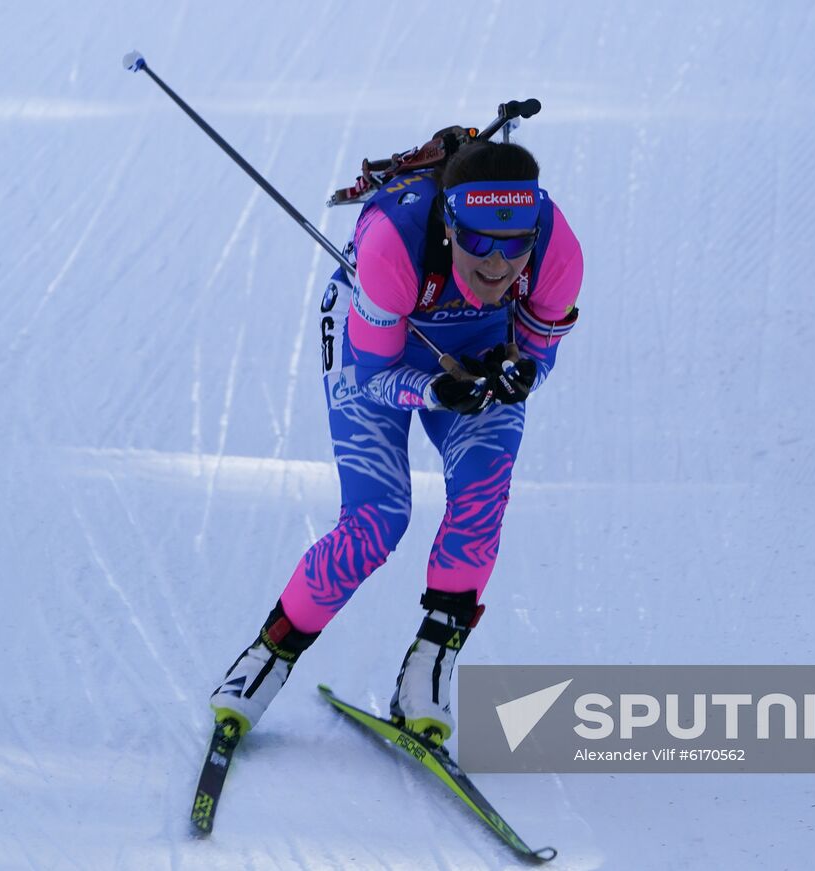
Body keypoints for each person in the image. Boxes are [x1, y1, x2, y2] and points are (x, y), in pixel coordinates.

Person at [209, 139, 584, 746]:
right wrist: (437, 391)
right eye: (478, 241)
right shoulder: (393, 244)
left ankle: (428, 667)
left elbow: (537, 356)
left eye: (515, 244)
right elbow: (378, 378)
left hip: (476, 343)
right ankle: (267, 657)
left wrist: (519, 374)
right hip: (375, 346)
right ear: (448, 225)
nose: (496, 263)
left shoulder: (560, 255)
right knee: (378, 518)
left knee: (483, 489)